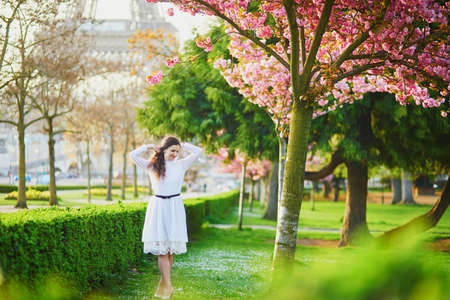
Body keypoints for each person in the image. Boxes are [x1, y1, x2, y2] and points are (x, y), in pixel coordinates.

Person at [129, 135, 203, 299]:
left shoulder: (181, 165)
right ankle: (168, 287)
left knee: (170, 252)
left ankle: (160, 290)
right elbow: (133, 155)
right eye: (172, 150)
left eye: (177, 151)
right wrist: (148, 146)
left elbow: (199, 151)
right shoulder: (152, 166)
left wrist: (182, 145)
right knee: (162, 251)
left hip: (175, 207)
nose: (175, 154)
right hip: (159, 207)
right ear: (163, 150)